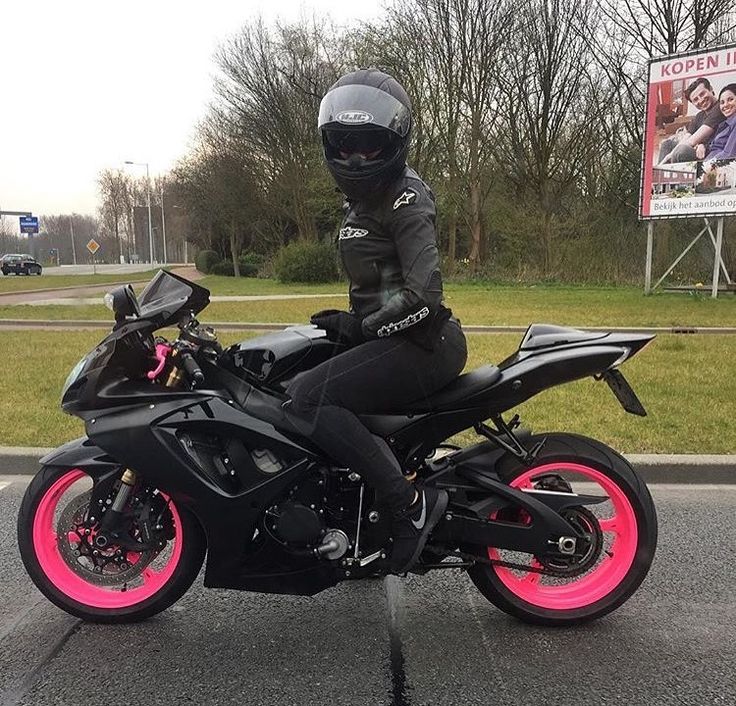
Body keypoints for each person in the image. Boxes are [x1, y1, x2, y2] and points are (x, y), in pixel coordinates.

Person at [284, 69, 468, 574]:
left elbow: (423, 295)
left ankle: (409, 506)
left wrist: (361, 328)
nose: (355, 158)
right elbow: (377, 285)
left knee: (308, 398)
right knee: (286, 373)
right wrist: (349, 323)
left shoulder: (407, 197)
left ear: (394, 144)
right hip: (394, 338)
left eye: (367, 146)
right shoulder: (361, 201)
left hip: (422, 342)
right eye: (344, 146)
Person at [659, 77, 724, 164]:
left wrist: (669, 157)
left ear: (710, 89)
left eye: (702, 94)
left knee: (681, 151)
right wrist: (698, 144)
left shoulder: (720, 107)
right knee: (667, 144)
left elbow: (692, 140)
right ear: (693, 103)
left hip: (713, 153)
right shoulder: (699, 116)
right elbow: (686, 137)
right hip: (700, 149)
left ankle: (670, 173)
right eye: (695, 99)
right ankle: (658, 174)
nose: (701, 100)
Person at [703, 84, 736, 161]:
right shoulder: (723, 125)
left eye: (730, 99)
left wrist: (705, 166)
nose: (726, 105)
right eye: (722, 102)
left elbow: (729, 154)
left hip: (718, 168)